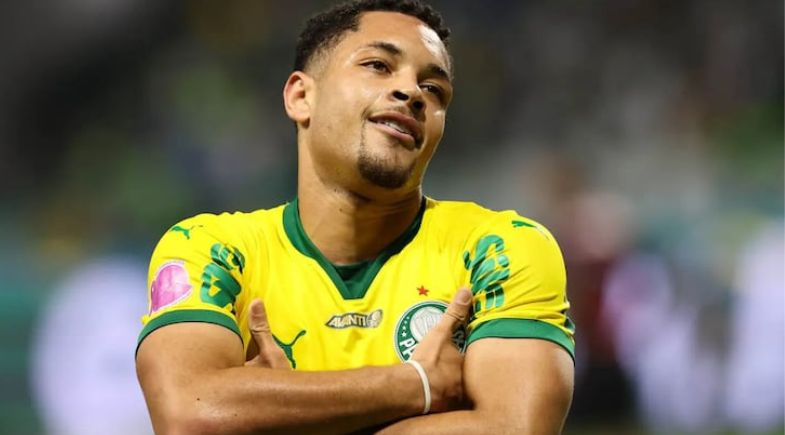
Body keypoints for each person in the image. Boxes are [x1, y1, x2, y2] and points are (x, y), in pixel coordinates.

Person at [135, 1, 575, 433]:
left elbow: (515, 427)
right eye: (378, 66)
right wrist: (416, 386)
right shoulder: (210, 248)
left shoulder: (501, 248)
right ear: (301, 97)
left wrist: (280, 415)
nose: (412, 93)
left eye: (434, 89)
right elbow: (188, 414)